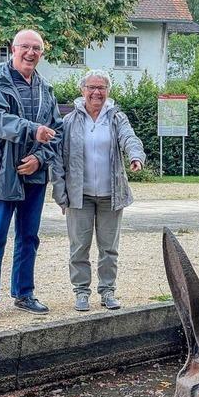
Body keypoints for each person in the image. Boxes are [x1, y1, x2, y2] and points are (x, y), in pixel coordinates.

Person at [0, 29, 63, 319]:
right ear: (13, 49)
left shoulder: (46, 88)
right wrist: (32, 129)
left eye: (36, 48)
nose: (31, 52)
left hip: (34, 175)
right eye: (25, 47)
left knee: (29, 237)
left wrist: (39, 158)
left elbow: (56, 133)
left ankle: (24, 294)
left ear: (42, 53)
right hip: (2, 173)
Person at [52, 70, 146, 312]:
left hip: (110, 194)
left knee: (109, 248)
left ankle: (107, 291)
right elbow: (59, 160)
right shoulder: (69, 122)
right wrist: (60, 195)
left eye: (101, 88)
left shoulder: (117, 119)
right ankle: (81, 292)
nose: (96, 92)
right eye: (91, 87)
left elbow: (130, 138)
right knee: (79, 246)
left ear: (108, 91)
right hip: (79, 195)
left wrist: (135, 156)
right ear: (82, 91)